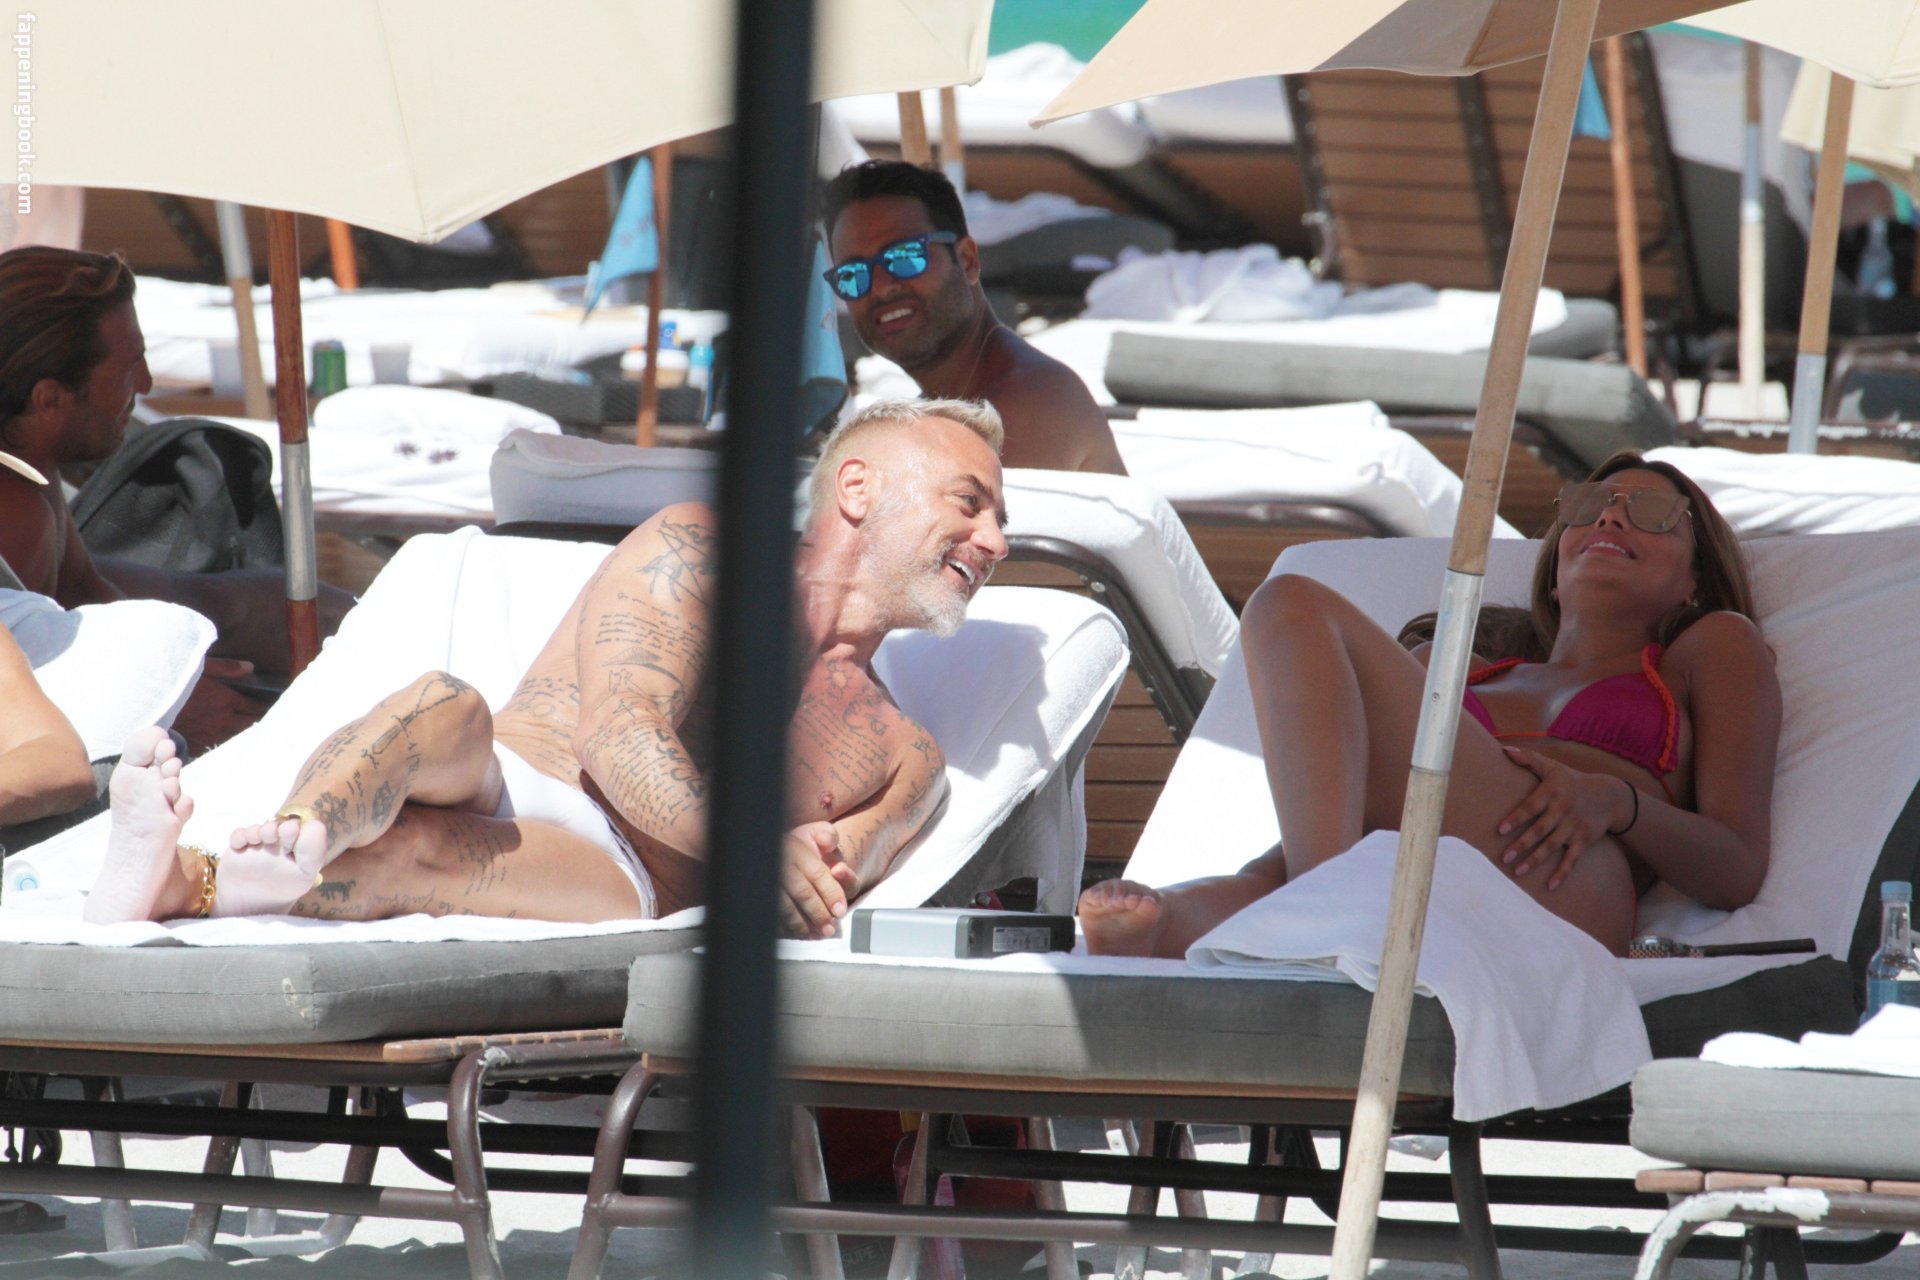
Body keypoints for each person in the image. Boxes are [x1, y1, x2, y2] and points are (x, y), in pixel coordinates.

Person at [84, 398, 1011, 936]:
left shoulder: (906, 756)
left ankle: (181, 882)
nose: (995, 541)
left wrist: (802, 876)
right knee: (442, 705)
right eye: (969, 502)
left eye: (1001, 521)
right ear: (857, 487)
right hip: (528, 768)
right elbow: (617, 735)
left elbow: (831, 881)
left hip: (626, 876)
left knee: (418, 856)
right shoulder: (703, 554)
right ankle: (303, 830)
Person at [1081, 453, 1778, 958]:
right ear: (1554, 571)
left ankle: (1320, 913)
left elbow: (1737, 865)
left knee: (1288, 603)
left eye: (1652, 513)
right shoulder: (1462, 669)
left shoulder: (1710, 646)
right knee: (1303, 845)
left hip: (1561, 876)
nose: (1611, 513)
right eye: (1589, 504)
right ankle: (1174, 923)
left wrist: (1618, 803)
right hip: (1407, 861)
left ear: (1694, 578)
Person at [0, 246, 354, 752]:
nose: (145, 384)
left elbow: (87, 593)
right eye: (129, 368)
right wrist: (162, 707)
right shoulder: (15, 516)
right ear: (50, 398)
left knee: (253, 605)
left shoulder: (33, 475)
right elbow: (20, 717)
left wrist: (180, 672)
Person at [822, 160, 1127, 476]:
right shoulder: (949, 408)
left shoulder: (1028, 401)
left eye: (905, 256)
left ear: (967, 260)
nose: (881, 287)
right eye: (852, 274)